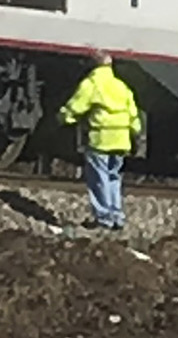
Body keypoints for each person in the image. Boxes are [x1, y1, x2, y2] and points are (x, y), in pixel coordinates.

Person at [59, 52, 140, 231]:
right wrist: (135, 132)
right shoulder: (121, 86)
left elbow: (76, 107)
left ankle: (104, 217)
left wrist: (63, 118)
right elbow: (133, 113)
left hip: (101, 139)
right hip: (121, 140)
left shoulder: (92, 84)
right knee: (113, 177)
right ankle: (117, 216)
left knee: (99, 178)